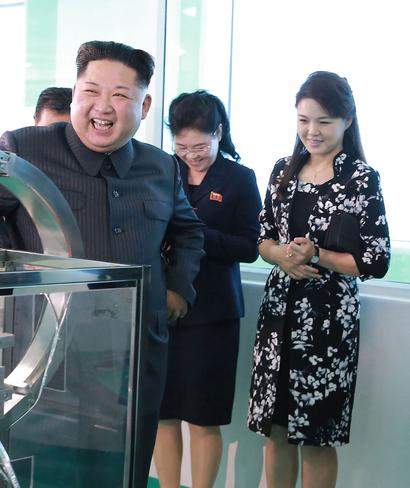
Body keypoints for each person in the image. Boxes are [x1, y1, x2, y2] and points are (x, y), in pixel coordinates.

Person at [0, 40, 206, 487]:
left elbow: (188, 232)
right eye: (91, 91)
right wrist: (21, 278)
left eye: (120, 95)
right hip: (47, 354)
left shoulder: (162, 167)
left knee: (124, 472)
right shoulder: (26, 148)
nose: (103, 107)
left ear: (145, 103)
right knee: (37, 470)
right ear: (76, 91)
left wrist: (178, 287)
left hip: (134, 357)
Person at [247, 71, 390, 487]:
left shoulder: (361, 178)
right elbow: (263, 238)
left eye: (323, 122)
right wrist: (282, 257)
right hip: (278, 316)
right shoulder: (282, 172)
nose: (312, 131)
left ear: (347, 120)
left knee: (316, 437)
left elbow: (375, 260)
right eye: (303, 120)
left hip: (328, 323)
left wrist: (318, 255)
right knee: (275, 433)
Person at [152, 90, 261, 488]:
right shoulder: (164, 170)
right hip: (163, 304)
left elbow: (250, 247)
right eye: (182, 147)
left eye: (200, 146)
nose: (192, 155)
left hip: (213, 312)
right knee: (163, 414)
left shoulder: (239, 178)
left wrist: (198, 236)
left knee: (202, 417)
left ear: (218, 133)